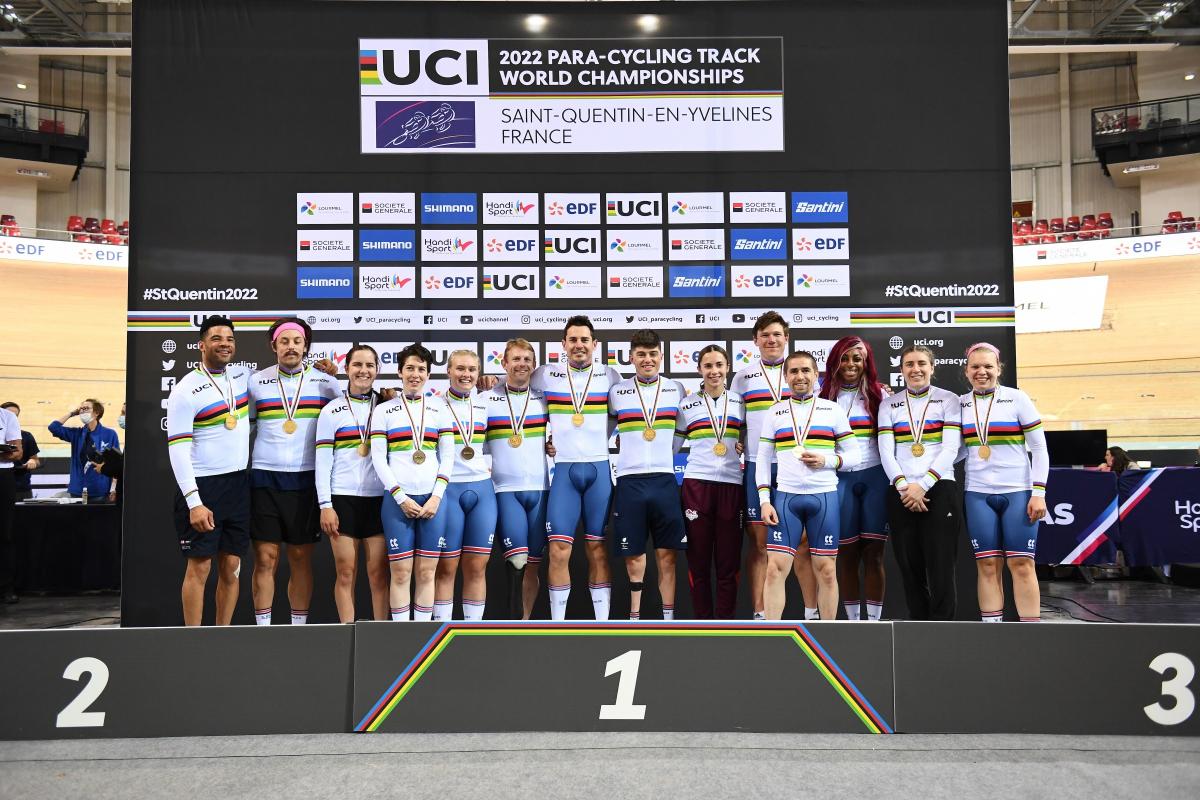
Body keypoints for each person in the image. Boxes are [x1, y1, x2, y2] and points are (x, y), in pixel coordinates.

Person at [247, 317, 341, 625]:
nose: (291, 347)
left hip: (306, 480)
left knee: (300, 559)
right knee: (265, 558)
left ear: (306, 347)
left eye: (297, 342)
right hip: (265, 477)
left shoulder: (326, 383)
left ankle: (297, 630)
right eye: (284, 341)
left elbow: (350, 421)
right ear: (273, 346)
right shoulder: (255, 382)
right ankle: (264, 630)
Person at [531, 315, 622, 621]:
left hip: (598, 470)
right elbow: (514, 388)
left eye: (585, 340)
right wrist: (492, 382)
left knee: (597, 549)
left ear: (595, 345)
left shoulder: (611, 375)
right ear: (563, 345)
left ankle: (603, 625)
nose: (579, 345)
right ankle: (558, 625)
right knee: (558, 550)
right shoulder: (545, 375)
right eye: (573, 340)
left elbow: (622, 416)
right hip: (564, 473)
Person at [758, 352, 860, 621]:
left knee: (826, 570)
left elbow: (855, 456)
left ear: (816, 375)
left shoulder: (832, 410)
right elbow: (763, 460)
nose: (799, 376)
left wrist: (827, 460)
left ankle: (828, 635)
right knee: (774, 569)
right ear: (786, 376)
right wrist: (764, 500)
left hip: (823, 497)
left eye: (806, 370)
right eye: (793, 371)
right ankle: (770, 637)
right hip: (785, 498)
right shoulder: (775, 412)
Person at [731, 311, 818, 620]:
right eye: (765, 334)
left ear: (787, 338)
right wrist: (741, 439)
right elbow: (736, 421)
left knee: (805, 545)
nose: (771, 339)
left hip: (796, 465)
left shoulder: (802, 371)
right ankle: (759, 615)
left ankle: (812, 612)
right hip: (758, 464)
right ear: (755, 340)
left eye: (777, 334)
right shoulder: (742, 377)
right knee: (759, 546)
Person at [166, 315, 251, 626]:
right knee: (199, 568)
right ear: (201, 345)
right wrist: (194, 501)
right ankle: (194, 641)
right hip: (204, 488)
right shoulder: (185, 391)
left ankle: (222, 636)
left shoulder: (242, 378)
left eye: (229, 338)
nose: (224, 344)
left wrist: (325, 371)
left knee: (232, 567)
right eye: (216, 338)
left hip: (239, 485)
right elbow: (177, 449)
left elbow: (284, 377)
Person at [960, 343, 1049, 623]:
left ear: (999, 369)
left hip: (1018, 492)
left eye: (988, 366)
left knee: (1022, 564)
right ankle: (992, 634)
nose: (982, 372)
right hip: (977, 493)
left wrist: (1039, 493)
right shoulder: (959, 404)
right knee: (987, 565)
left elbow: (1040, 448)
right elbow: (959, 449)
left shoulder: (1017, 398)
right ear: (966, 371)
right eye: (975, 367)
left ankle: (1031, 635)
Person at [877, 345, 963, 621]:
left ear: (932, 368)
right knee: (909, 567)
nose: (916, 369)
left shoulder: (949, 400)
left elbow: (951, 449)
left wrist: (922, 485)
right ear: (901, 370)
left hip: (939, 488)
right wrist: (904, 486)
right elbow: (885, 451)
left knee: (941, 566)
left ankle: (943, 629)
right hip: (901, 491)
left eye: (922, 364)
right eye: (909, 364)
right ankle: (918, 626)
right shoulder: (888, 404)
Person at [370, 344, 455, 621]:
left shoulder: (440, 409)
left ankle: (420, 637)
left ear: (429, 374)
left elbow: (448, 456)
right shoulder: (384, 411)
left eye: (421, 369)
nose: (415, 374)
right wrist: (400, 497)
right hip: (397, 502)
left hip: (433, 501)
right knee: (401, 572)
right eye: (409, 368)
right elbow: (379, 459)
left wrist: (436, 497)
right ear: (399, 372)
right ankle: (401, 638)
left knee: (427, 572)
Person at [609, 330, 688, 620]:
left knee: (667, 555)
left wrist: (667, 454)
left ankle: (668, 619)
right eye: (641, 354)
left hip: (665, 480)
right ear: (631, 357)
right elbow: (601, 432)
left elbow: (682, 431)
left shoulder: (676, 388)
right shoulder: (617, 392)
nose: (647, 359)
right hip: (629, 481)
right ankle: (634, 616)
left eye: (652, 354)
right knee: (634, 556)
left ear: (661, 357)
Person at [315, 344, 389, 623]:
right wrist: (325, 504)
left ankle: (380, 631)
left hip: (379, 500)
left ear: (377, 370)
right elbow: (323, 461)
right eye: (357, 365)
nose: (363, 371)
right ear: (346, 369)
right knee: (345, 572)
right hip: (342, 498)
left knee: (378, 573)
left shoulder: (387, 406)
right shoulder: (331, 411)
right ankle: (348, 631)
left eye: (370, 365)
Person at [819, 337, 890, 621]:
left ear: (866, 362)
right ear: (835, 361)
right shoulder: (822, 396)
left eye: (856, 359)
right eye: (844, 358)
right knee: (846, 555)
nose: (850, 364)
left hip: (874, 477)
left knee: (873, 554)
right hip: (839, 479)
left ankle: (872, 623)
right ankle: (852, 622)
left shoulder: (880, 394)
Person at [675, 345, 745, 619]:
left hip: (731, 485)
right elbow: (671, 445)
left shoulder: (740, 403)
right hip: (697, 486)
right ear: (699, 370)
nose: (714, 371)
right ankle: (702, 623)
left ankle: (725, 624)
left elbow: (750, 442)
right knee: (699, 563)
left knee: (728, 564)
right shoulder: (686, 405)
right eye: (708, 366)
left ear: (727, 368)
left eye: (719, 365)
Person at [480, 338, 549, 619]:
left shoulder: (545, 398)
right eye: (516, 359)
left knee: (533, 563)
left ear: (533, 366)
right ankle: (511, 624)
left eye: (527, 360)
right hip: (504, 489)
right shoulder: (484, 399)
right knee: (516, 560)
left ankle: (525, 624)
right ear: (504, 363)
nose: (521, 364)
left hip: (542, 488)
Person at [436, 350, 494, 621]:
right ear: (448, 371)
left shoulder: (487, 403)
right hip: (449, 490)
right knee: (446, 568)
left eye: (472, 369)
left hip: (482, 489)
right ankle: (440, 634)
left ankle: (472, 635)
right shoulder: (432, 405)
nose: (466, 374)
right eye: (460, 368)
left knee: (477, 568)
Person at [49, 398, 120, 501]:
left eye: (86, 408)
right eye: (81, 409)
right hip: (77, 490)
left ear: (96, 413)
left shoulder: (110, 434)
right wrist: (72, 413)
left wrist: (113, 489)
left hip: (100, 490)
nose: (82, 411)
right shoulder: (76, 434)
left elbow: (116, 462)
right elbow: (53, 427)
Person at [0, 403, 23, 604]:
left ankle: (6, 586)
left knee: (4, 533)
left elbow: (17, 452)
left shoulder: (7, 417)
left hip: (2, 474)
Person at [1, 402, 41, 501]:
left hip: (22, 488)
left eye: (15, 416)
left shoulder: (27, 436)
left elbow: (35, 460)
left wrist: (33, 462)